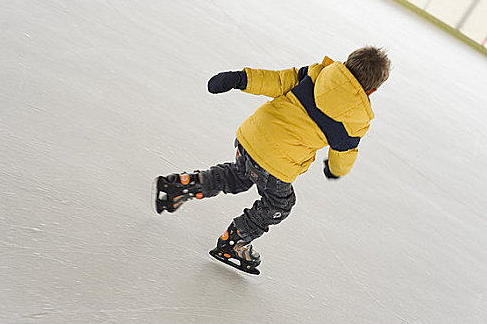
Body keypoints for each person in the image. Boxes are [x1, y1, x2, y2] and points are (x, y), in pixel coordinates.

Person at [153, 46, 391, 274]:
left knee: (238, 175)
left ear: (348, 62)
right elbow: (344, 155)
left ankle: (182, 185)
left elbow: (276, 80)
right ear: (372, 91)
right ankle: (233, 244)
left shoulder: (317, 73)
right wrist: (335, 169)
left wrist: (239, 79)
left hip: (251, 138)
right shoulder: (356, 120)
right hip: (277, 165)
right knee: (279, 205)